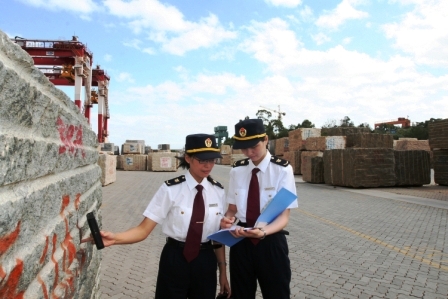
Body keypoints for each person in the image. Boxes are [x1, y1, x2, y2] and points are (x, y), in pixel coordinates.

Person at [84, 133, 231, 299]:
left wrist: (223, 271)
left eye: (212, 160)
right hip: (175, 259)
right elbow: (143, 229)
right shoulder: (170, 189)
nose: (208, 166)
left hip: (206, 260)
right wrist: (115, 238)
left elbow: (217, 239)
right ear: (188, 158)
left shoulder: (218, 191)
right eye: (202, 160)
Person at [220, 118, 298, 299]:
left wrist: (262, 232)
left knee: (277, 293)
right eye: (244, 148)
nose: (249, 152)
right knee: (241, 294)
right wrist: (227, 220)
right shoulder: (237, 171)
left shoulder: (282, 171)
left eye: (254, 146)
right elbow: (232, 208)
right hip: (241, 242)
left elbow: (284, 217)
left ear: (265, 140)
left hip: (270, 241)